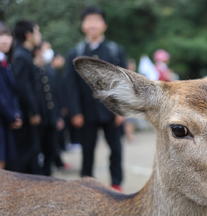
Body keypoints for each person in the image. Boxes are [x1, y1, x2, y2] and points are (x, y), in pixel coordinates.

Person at [66, 7, 127, 191]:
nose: (92, 24)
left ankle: (116, 184)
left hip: (111, 111)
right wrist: (75, 112)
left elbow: (124, 83)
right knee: (87, 150)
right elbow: (70, 86)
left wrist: (121, 110)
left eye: (96, 20)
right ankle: (86, 185)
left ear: (104, 25)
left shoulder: (115, 50)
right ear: (83, 25)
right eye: (88, 20)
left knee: (116, 149)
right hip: (86, 112)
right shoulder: (75, 52)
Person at [11, 20, 42, 173]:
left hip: (29, 113)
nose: (39, 36)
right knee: (27, 152)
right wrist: (33, 112)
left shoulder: (25, 55)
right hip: (26, 115)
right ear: (28, 35)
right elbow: (24, 88)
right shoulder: (20, 56)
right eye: (37, 32)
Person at [33, 42, 63, 175]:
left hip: (51, 117)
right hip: (38, 118)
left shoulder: (49, 71)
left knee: (50, 147)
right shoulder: (33, 70)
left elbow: (55, 96)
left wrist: (58, 117)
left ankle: (47, 172)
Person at [0, 23, 22, 169]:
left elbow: (11, 92)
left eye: (8, 35)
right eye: (1, 36)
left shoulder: (5, 61)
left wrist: (16, 114)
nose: (5, 39)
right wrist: (12, 116)